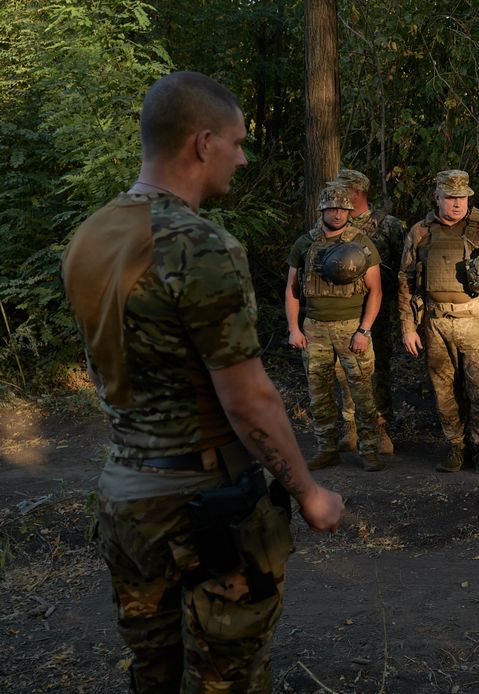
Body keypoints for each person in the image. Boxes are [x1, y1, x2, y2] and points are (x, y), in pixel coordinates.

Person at [61, 71, 343, 692]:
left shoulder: (89, 237)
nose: (242, 158)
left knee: (153, 673)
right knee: (226, 681)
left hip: (126, 497)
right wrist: (307, 492)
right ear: (202, 143)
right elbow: (248, 398)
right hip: (204, 507)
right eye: (237, 144)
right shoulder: (197, 243)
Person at [399, 169, 479, 473]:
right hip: (436, 321)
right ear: (437, 197)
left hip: (476, 321)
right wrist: (408, 326)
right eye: (450, 198)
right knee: (443, 390)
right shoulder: (421, 233)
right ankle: (455, 446)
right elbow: (406, 281)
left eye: (462, 197)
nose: (456, 203)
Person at [285, 186, 384, 471]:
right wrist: (294, 328)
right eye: (333, 209)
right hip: (314, 327)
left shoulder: (360, 242)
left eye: (343, 209)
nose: (338, 214)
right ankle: (326, 448)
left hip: (351, 327)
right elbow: (292, 290)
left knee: (362, 392)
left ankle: (368, 450)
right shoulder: (305, 244)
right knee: (319, 392)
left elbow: (375, 291)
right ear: (322, 211)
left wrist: (364, 330)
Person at [328, 168, 404, 454]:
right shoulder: (334, 224)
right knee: (342, 368)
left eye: (342, 190)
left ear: (356, 192)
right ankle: (350, 425)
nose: (337, 197)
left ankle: (380, 426)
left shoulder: (388, 225)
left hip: (378, 311)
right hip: (342, 309)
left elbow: (402, 271)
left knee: (378, 368)